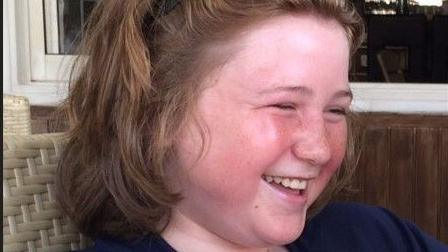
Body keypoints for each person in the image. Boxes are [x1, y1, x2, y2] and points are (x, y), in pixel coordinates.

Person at [55, 0, 448, 251]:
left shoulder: (373, 236)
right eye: (284, 105)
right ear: (158, 116)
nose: (320, 149)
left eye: (335, 111)